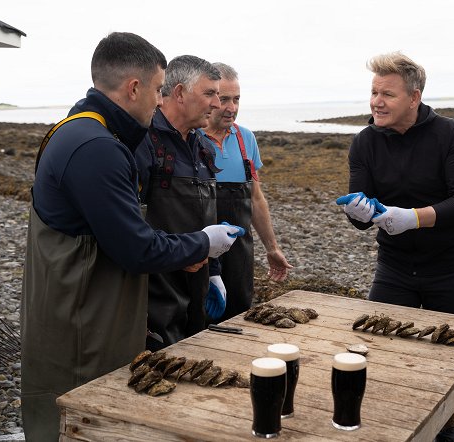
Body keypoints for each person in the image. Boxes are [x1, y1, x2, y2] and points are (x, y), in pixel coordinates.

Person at [21, 33, 242, 441]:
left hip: (89, 311)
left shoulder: (82, 131)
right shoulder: (95, 147)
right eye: (158, 90)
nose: (160, 102)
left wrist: (198, 262)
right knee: (80, 416)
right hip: (82, 324)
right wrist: (204, 244)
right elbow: (136, 248)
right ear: (134, 87)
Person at [335, 52, 454, 442]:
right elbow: (357, 207)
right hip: (394, 266)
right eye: (373, 92)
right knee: (372, 345)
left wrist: (413, 217)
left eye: (388, 94)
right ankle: (388, 423)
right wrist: (361, 212)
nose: (376, 101)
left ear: (414, 98)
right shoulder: (365, 141)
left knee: (445, 359)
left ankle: (447, 430)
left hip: (449, 267)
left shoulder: (452, 134)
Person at [135, 55, 225, 349]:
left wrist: (214, 273)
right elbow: (131, 225)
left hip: (196, 285)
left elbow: (208, 216)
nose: (217, 104)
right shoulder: (143, 143)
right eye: (209, 93)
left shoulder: (202, 145)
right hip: (155, 292)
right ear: (179, 93)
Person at [200, 62, 292, 321]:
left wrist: (272, 248)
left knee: (240, 316)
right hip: (199, 253)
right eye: (225, 99)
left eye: (237, 99)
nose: (232, 108)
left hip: (239, 253)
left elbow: (256, 198)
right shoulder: (191, 137)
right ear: (209, 98)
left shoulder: (246, 139)